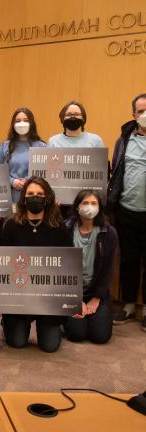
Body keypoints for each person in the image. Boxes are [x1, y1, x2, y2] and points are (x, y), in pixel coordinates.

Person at [1, 177, 72, 352]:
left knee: (50, 346)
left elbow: (67, 265)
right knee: (17, 342)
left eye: (40, 194)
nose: (35, 197)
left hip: (48, 297)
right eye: (30, 194)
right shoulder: (11, 225)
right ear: (23, 198)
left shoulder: (58, 226)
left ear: (47, 198)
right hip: (19, 293)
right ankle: (9, 322)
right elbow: (2, 264)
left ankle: (46, 324)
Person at [108, 93, 146, 331]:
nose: (145, 115)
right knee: (129, 260)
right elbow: (116, 172)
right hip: (127, 210)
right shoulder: (124, 140)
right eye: (141, 111)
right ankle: (130, 304)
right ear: (134, 115)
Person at [64, 190, 117, 344]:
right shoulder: (65, 229)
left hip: (96, 292)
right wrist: (75, 297)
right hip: (71, 292)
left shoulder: (109, 233)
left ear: (99, 208)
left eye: (94, 203)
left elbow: (108, 269)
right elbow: (61, 267)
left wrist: (96, 298)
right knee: (76, 334)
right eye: (85, 203)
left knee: (100, 337)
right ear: (76, 207)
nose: (89, 207)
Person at [0, 108, 46, 203]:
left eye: (26, 120)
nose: (22, 123)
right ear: (13, 124)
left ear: (31, 123)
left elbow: (45, 173)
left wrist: (29, 180)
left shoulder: (42, 146)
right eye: (18, 121)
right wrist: (12, 182)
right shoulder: (3, 147)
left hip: (34, 199)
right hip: (10, 197)